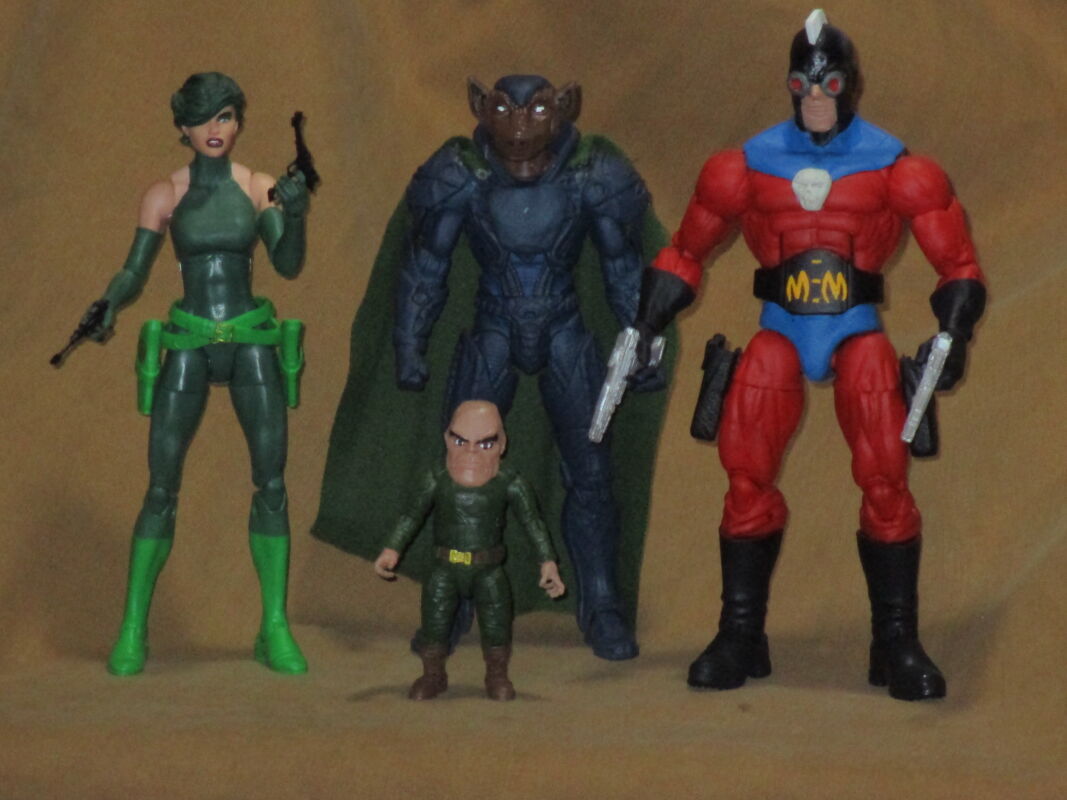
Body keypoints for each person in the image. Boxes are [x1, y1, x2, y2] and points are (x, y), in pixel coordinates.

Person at [632, 10, 986, 700]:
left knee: (885, 475)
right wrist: (646, 320)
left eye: (830, 84)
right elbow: (685, 250)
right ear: (789, 86)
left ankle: (895, 640)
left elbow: (959, 266)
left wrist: (953, 332)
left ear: (851, 84)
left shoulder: (896, 167)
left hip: (855, 328)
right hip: (780, 328)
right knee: (745, 470)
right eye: (803, 84)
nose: (816, 97)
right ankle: (740, 633)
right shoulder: (745, 166)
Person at [87, 72, 311, 676]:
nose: (215, 129)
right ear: (182, 126)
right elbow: (134, 269)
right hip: (188, 338)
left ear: (238, 122)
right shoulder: (165, 193)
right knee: (161, 485)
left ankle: (274, 625)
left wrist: (295, 214)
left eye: (226, 116)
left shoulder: (258, 187)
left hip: (251, 339)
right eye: (203, 118)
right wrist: (109, 303)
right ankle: (133, 626)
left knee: (271, 482)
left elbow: (288, 264)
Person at [374, 400, 565, 700]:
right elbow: (411, 516)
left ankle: (496, 676)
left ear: (502, 444)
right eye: (461, 441)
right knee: (434, 625)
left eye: (485, 443)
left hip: (488, 569)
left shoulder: (510, 482)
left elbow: (532, 522)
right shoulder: (436, 478)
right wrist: (392, 549)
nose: (471, 453)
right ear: (447, 439)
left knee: (497, 625)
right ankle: (433, 675)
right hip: (444, 567)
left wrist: (548, 561)